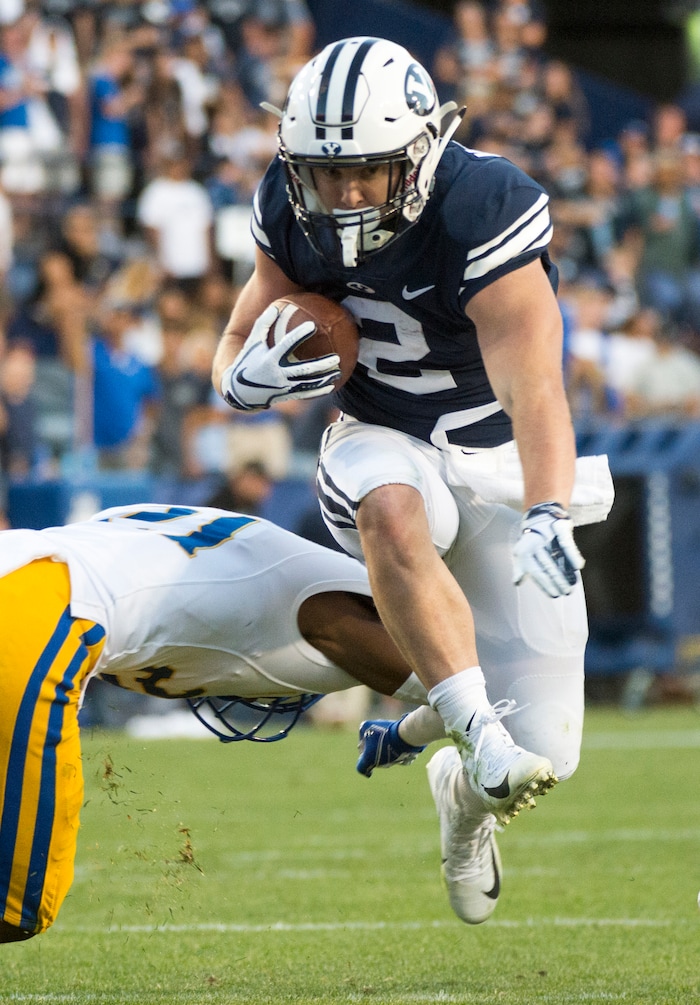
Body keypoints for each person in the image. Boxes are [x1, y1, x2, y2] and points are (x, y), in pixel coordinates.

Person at [211, 37, 614, 926]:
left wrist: (548, 505)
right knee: (389, 509)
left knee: (550, 745)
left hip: (500, 457)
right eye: (328, 172)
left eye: (369, 170)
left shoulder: (483, 203)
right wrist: (237, 381)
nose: (346, 193)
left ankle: (457, 786)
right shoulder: (287, 202)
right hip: (379, 436)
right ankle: (470, 729)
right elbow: (234, 344)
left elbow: (536, 384)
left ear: (424, 149)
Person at [0, 501, 431, 944]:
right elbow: (457, 696)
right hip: (35, 614)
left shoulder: (146, 527)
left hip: (20, 565)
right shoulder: (330, 609)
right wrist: (405, 732)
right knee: (16, 910)